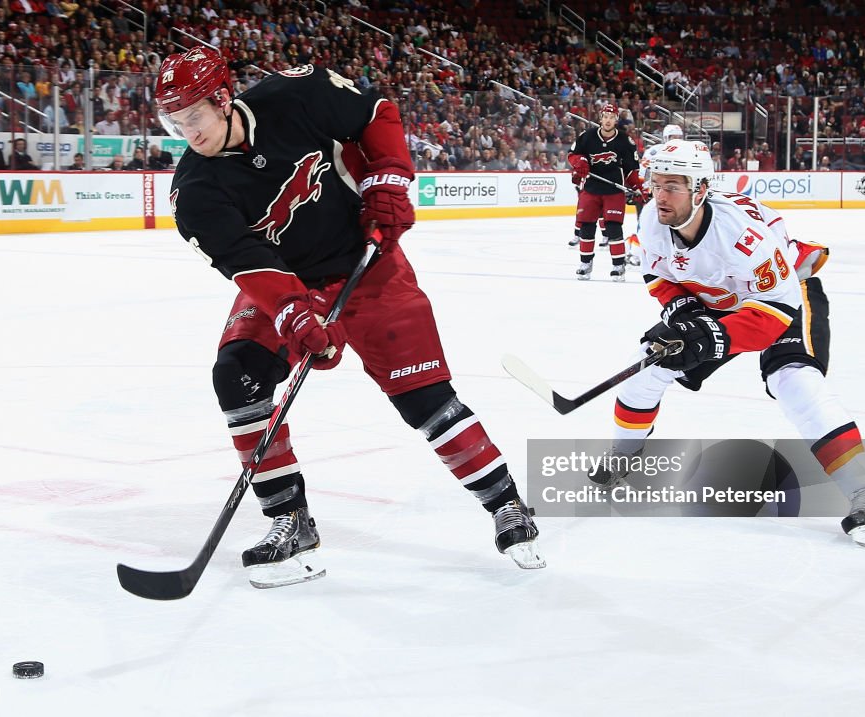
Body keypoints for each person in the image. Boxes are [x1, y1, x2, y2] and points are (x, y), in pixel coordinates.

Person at [155, 48, 543, 588]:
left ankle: (507, 505)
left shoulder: (296, 94)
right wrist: (293, 314)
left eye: (192, 116)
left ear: (223, 99)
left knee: (425, 399)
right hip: (291, 282)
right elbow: (250, 266)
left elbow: (376, 113)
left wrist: (389, 178)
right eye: (174, 122)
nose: (186, 131)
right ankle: (289, 521)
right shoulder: (194, 191)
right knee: (238, 375)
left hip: (371, 265)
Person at [590, 140, 865, 547]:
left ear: (700, 189)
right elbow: (660, 276)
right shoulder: (652, 218)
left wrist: (712, 336)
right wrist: (685, 316)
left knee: (792, 379)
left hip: (787, 291)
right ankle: (624, 452)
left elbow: (775, 313)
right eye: (656, 183)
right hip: (720, 296)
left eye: (673, 185)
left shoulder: (741, 235)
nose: (660, 194)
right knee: (649, 363)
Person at [568, 102, 645, 281]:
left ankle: (618, 265)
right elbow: (572, 154)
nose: (608, 120)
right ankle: (585, 263)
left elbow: (631, 169)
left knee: (613, 227)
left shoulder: (625, 141)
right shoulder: (587, 136)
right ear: (600, 118)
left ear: (616, 120)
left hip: (613, 189)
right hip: (591, 188)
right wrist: (580, 162)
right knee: (586, 226)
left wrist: (636, 187)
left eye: (612, 117)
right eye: (605, 117)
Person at [627, 123, 684, 266]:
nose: (676, 140)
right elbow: (643, 171)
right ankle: (634, 251)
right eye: (672, 137)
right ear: (665, 138)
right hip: (651, 195)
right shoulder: (655, 151)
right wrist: (642, 189)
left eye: (678, 137)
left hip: (672, 196)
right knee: (646, 224)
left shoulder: (686, 153)